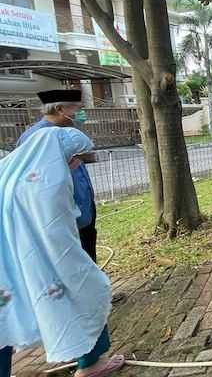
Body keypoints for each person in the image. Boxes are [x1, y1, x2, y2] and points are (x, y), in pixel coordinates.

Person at [0, 128, 124, 377]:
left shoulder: (8, 169)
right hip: (44, 258)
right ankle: (90, 364)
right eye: (75, 157)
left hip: (6, 264)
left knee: (5, 316)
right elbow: (59, 226)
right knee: (87, 291)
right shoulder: (48, 178)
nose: (77, 163)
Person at [17, 90, 98, 262]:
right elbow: (34, 180)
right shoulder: (35, 137)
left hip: (83, 207)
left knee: (88, 257)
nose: (81, 114)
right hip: (59, 214)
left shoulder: (68, 131)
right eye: (77, 109)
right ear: (60, 109)